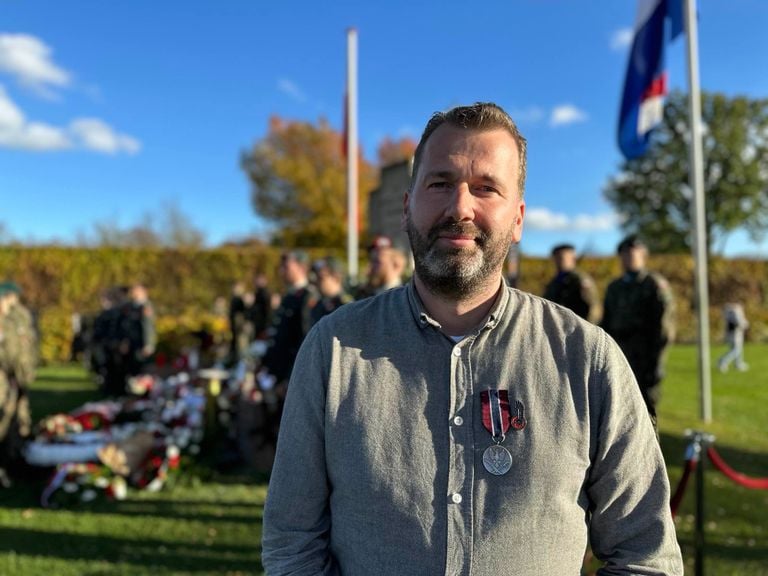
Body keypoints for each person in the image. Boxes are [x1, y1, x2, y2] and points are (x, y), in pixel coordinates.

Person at [262, 102, 683, 575]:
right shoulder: (333, 349)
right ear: (407, 206)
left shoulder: (588, 359)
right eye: (440, 183)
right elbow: (291, 541)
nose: (460, 207)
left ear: (519, 219)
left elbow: (646, 556)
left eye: (486, 188)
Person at [601, 235, 675, 425]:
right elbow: (606, 323)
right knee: (618, 407)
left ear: (644, 255)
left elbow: (664, 328)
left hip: (645, 356)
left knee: (646, 409)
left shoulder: (654, 285)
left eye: (634, 253)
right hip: (620, 353)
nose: (629, 258)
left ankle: (649, 451)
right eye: (625, 254)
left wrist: (656, 362)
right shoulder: (615, 287)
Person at [542, 243, 599, 322]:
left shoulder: (579, 280)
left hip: (576, 328)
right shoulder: (553, 282)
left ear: (573, 258)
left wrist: (586, 331)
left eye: (562, 258)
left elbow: (592, 309)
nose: (558, 261)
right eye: (556, 257)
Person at [310, 257, 353, 326]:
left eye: (320, 278)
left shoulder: (346, 305)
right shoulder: (319, 304)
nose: (316, 281)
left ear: (336, 277)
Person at [718, 302, 749, 372]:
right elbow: (739, 322)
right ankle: (723, 360)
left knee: (737, 349)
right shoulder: (736, 311)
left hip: (731, 333)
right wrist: (745, 324)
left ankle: (738, 364)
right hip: (735, 334)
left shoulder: (728, 311)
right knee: (736, 350)